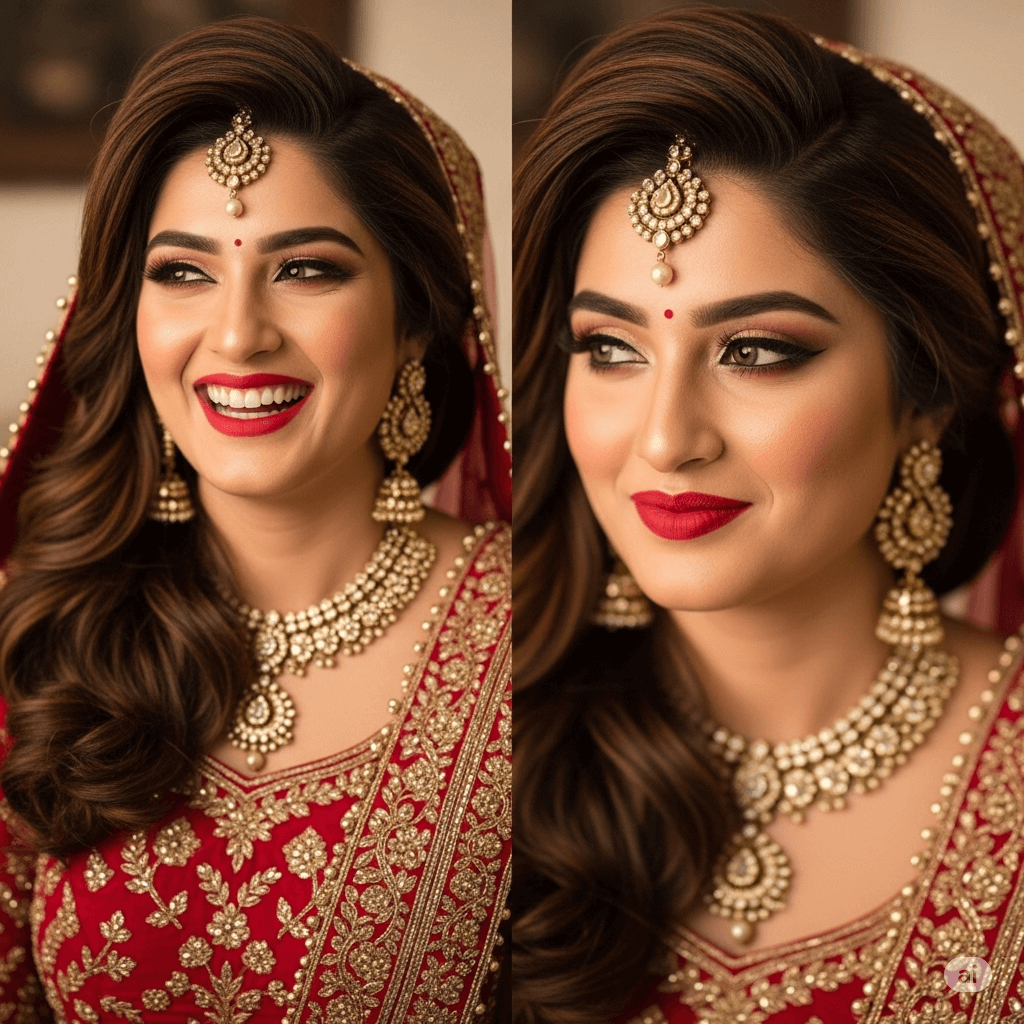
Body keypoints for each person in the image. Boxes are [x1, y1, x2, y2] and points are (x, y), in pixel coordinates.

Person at [512, 7, 1024, 1023]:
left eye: (755, 351)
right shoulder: (474, 745)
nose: (666, 437)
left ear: (923, 398)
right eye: (610, 349)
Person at [0, 16, 511, 1019]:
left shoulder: (544, 637)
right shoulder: (46, 629)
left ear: (416, 318)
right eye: (182, 272)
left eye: (306, 268)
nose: (238, 334)